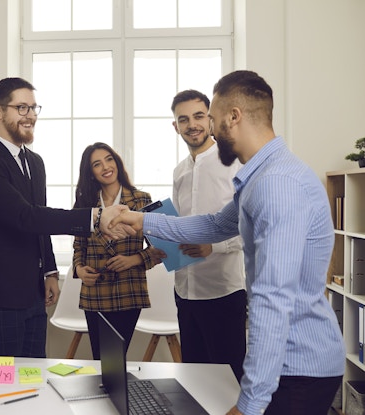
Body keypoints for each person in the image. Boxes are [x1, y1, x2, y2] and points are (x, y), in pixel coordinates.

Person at [102, 70, 345, 415]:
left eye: (212, 120)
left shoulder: (277, 184)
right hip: (287, 364)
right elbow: (215, 224)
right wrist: (139, 219)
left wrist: (249, 404)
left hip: (297, 368)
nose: (210, 130)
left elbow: (273, 298)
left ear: (234, 117)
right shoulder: (260, 176)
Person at [0, 77, 132, 358]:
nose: (30, 116)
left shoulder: (34, 162)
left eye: (33, 108)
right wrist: (95, 217)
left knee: (32, 377)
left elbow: (40, 221)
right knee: (3, 383)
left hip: (33, 294)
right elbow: (26, 217)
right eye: (21, 108)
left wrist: (49, 271)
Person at [169, 89, 246, 382]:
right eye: (184, 119)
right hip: (185, 291)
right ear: (175, 126)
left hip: (223, 293)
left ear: (211, 120)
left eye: (199, 116)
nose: (192, 125)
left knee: (228, 383)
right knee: (195, 382)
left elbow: (251, 227)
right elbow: (178, 225)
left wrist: (213, 246)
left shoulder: (236, 164)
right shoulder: (179, 172)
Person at [73, 142, 160, 359]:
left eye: (109, 159)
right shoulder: (86, 203)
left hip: (128, 287)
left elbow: (160, 249)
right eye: (97, 164)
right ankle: (107, 393)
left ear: (117, 162)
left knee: (116, 358)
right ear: (90, 172)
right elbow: (78, 246)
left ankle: (120, 394)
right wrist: (79, 269)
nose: (105, 167)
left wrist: (134, 260)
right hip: (95, 291)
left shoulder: (141, 199)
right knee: (100, 359)